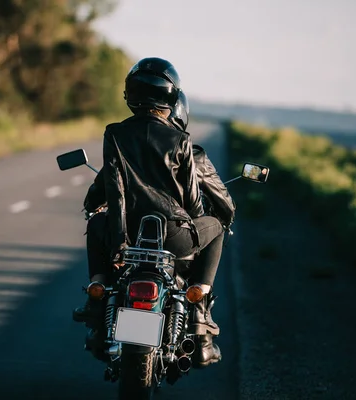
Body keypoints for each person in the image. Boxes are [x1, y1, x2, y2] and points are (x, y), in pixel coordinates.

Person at [73, 66, 235, 367]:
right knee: (217, 227)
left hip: (127, 235)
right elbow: (192, 201)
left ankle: (95, 297)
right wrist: (194, 222)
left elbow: (113, 188)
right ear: (171, 97)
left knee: (96, 222)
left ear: (130, 95)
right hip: (175, 237)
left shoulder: (115, 133)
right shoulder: (180, 141)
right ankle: (199, 308)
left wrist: (119, 238)